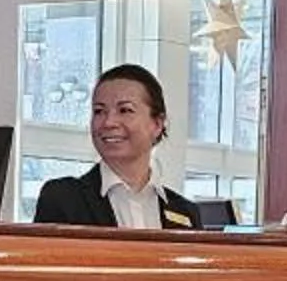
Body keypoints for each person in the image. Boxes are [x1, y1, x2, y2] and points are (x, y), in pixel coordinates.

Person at [31, 66, 200, 230]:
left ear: (157, 124)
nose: (108, 122)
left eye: (125, 110)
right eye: (99, 111)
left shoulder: (185, 213)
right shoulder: (64, 199)